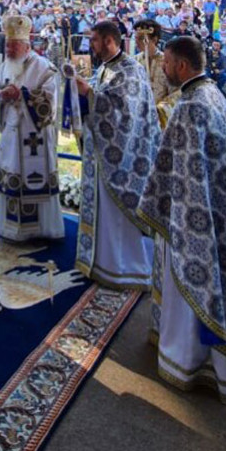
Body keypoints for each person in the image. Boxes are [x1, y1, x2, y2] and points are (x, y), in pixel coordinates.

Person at [137, 36, 226, 404]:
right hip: (221, 208)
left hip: (193, 216)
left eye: (165, 63)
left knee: (198, 282)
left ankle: (193, 360)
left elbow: (179, 174)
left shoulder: (189, 107)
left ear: (182, 66)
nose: (162, 69)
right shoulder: (212, 92)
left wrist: (160, 209)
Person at [71, 20, 161, 289]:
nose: (91, 45)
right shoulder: (106, 68)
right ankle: (102, 261)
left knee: (117, 215)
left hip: (125, 158)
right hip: (103, 153)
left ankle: (124, 269)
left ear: (109, 41)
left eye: (95, 40)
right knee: (103, 210)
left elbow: (123, 112)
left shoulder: (129, 70)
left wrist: (88, 93)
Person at [0, 15, 63, 241]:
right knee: (13, 175)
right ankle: (13, 231)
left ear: (27, 46)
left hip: (35, 137)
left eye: (14, 45)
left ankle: (43, 231)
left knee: (34, 179)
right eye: (7, 45)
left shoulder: (44, 67)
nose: (9, 50)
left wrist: (21, 95)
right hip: (12, 135)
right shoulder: (5, 66)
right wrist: (1, 97)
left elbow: (52, 102)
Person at [134, 18, 179, 127]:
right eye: (135, 38)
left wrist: (159, 111)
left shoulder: (168, 62)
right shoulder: (134, 62)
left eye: (141, 38)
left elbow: (177, 92)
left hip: (161, 121)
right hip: (138, 118)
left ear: (154, 39)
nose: (136, 42)